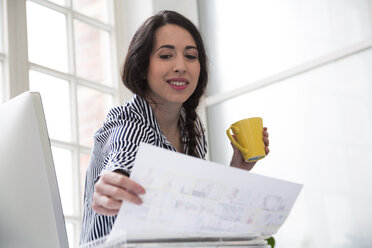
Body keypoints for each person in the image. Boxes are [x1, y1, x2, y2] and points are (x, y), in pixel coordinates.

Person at [80, 10, 270, 245]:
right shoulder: (128, 120)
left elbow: (195, 213)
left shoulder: (192, 132)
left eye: (191, 56)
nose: (181, 66)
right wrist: (111, 183)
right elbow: (122, 157)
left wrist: (237, 169)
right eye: (166, 55)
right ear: (142, 65)